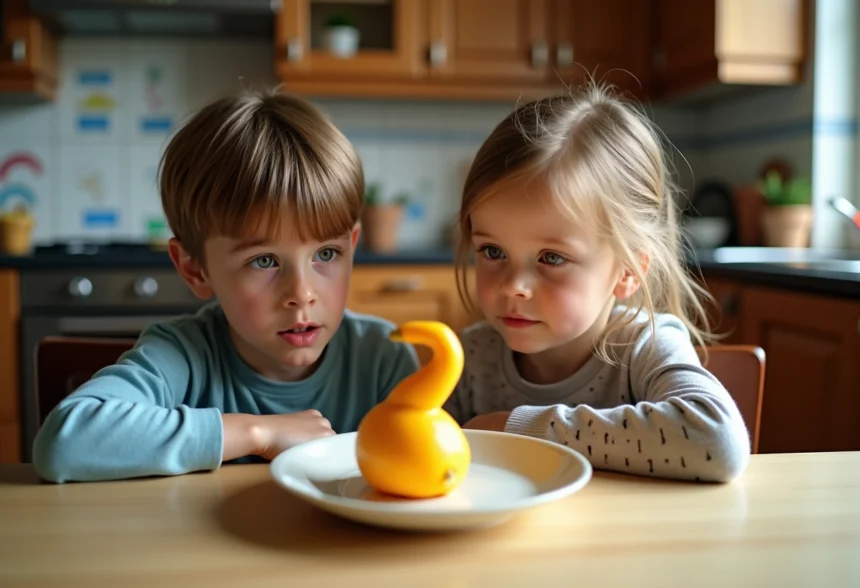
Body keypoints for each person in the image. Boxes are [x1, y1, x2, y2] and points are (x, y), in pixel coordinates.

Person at [33, 89, 419, 483]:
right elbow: (64, 443)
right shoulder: (184, 355)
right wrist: (258, 432)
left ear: (351, 250)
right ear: (195, 269)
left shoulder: (386, 361)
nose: (302, 293)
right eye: (264, 260)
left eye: (326, 254)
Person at [445, 83, 750, 482]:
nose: (512, 286)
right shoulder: (468, 359)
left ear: (627, 271)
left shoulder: (643, 348)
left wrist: (516, 428)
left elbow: (718, 442)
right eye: (492, 251)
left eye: (552, 258)